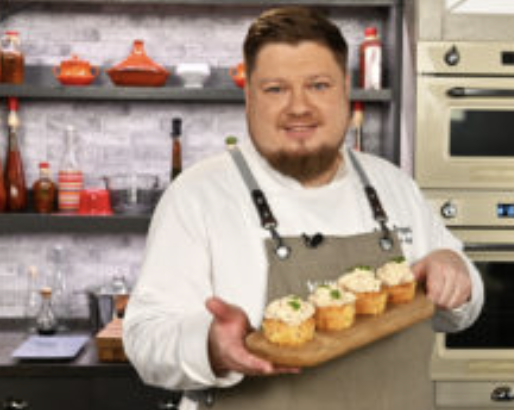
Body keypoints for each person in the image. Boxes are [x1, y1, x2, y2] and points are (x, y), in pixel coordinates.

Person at [124, 7, 483, 410]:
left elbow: (461, 310)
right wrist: (209, 346)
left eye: (318, 85)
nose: (299, 107)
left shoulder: (393, 185)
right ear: (249, 98)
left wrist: (456, 271)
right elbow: (144, 338)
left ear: (345, 90)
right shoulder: (197, 195)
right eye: (276, 89)